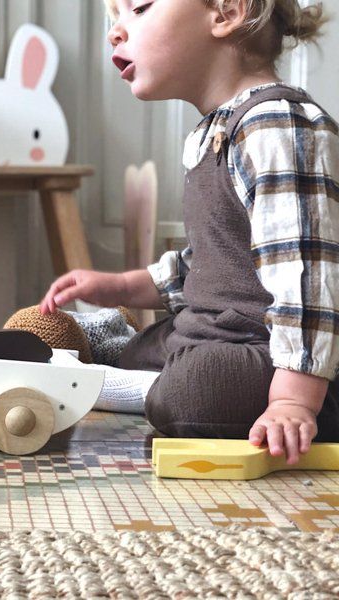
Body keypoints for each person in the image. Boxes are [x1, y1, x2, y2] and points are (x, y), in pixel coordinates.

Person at [40, 0, 339, 465]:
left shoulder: (279, 124)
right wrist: (122, 287)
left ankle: (130, 383)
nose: (115, 33)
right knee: (153, 350)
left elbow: (309, 277)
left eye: (137, 9)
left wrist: (293, 401)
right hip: (217, 334)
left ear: (225, 12)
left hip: (277, 351)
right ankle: (118, 355)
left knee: (193, 395)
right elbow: (215, 260)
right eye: (112, 19)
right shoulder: (213, 132)